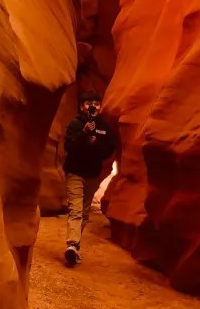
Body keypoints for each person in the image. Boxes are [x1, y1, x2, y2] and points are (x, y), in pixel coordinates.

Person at [62, 89, 116, 267]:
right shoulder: (75, 124)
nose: (93, 106)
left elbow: (108, 150)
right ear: (81, 106)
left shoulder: (104, 127)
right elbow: (69, 146)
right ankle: (72, 245)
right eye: (88, 103)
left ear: (100, 106)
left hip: (92, 175)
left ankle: (74, 247)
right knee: (76, 211)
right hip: (75, 173)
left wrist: (96, 144)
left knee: (84, 213)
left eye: (96, 103)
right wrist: (84, 134)